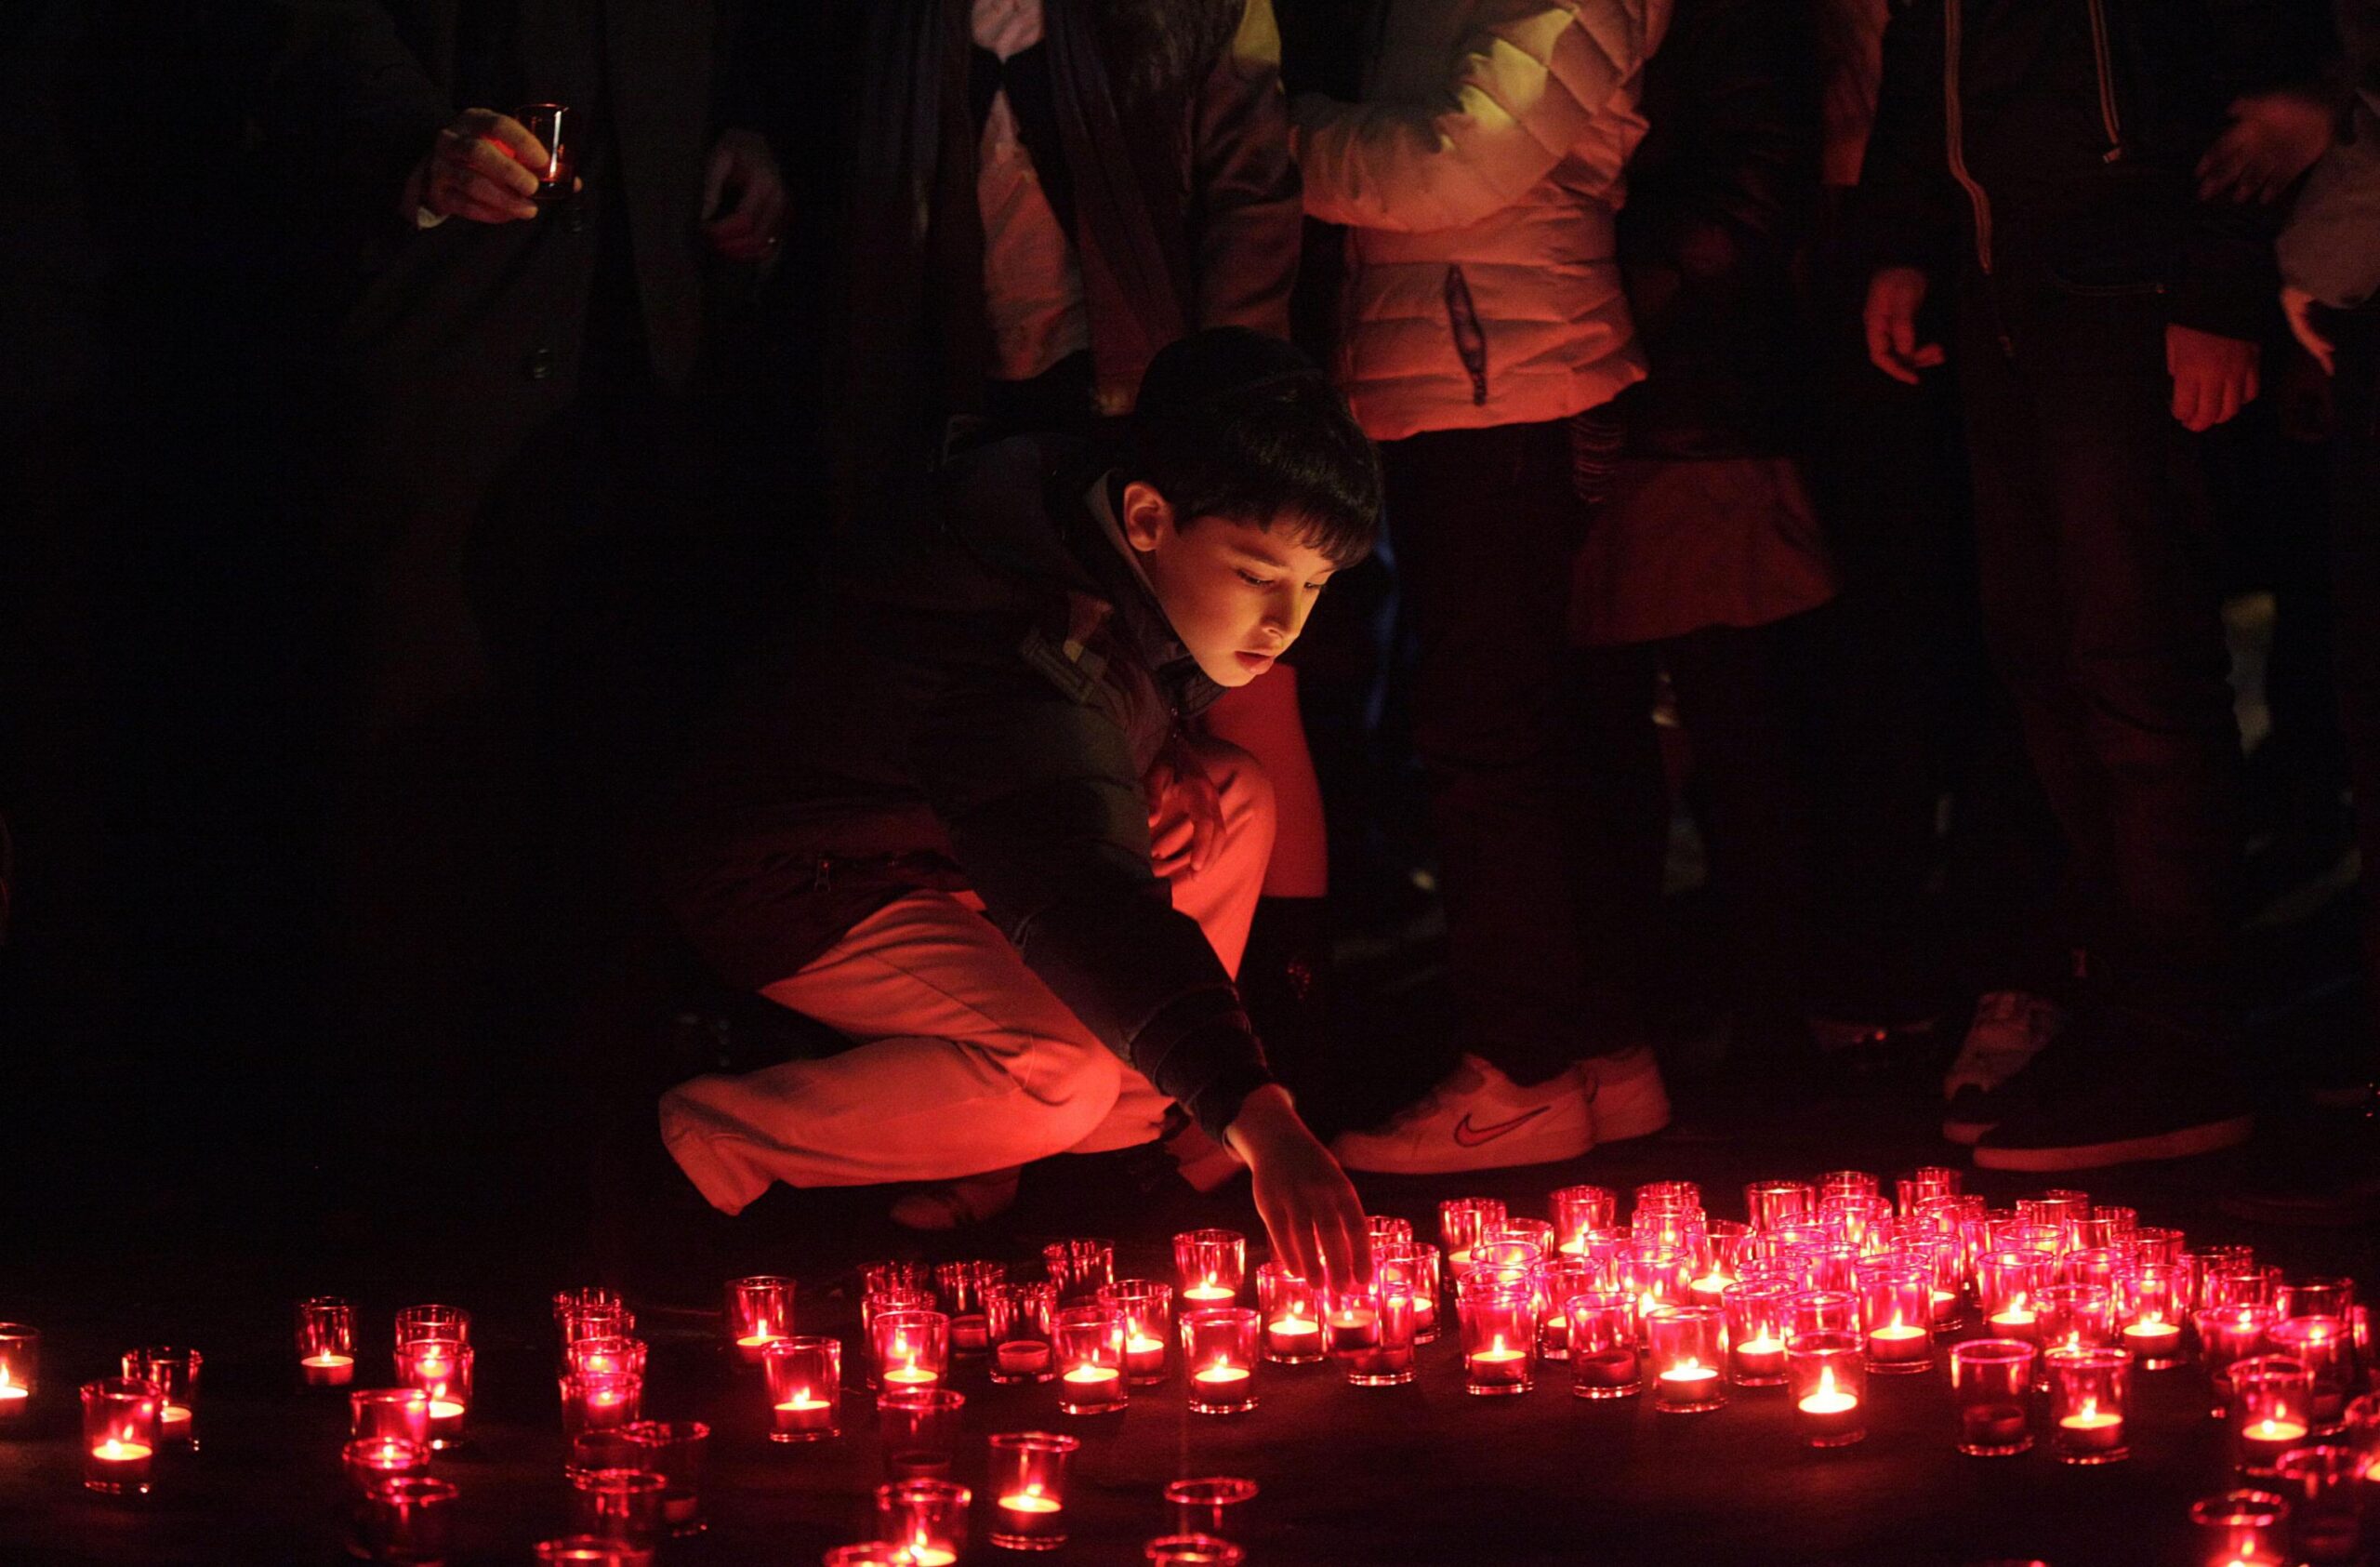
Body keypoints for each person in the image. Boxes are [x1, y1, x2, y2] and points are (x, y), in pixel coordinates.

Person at [654, 328, 1376, 1284]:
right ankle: (708, 1141)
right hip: (801, 876)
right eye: (1255, 574)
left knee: (1231, 793)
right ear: (1151, 516)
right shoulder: (1022, 645)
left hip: (949, 845)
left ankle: (1100, 1142)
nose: (1284, 622)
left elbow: (1095, 741)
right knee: (1057, 1073)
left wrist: (1156, 750)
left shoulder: (1088, 511)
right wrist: (1256, 1109)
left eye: (1313, 584)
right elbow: (1082, 891)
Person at [1858, 0, 2321, 1170]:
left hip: (2125, 285)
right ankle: (2128, 1017)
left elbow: (2249, 74)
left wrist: (2213, 288)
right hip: (2008, 284)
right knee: (2049, 662)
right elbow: (1934, 76)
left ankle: (2183, 1040)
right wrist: (1908, 239)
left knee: (2136, 667)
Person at [1289, 0, 1673, 1174]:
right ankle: (1591, 1043)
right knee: (1534, 727)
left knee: (1488, 735)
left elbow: (1456, 165)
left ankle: (1518, 1069)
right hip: (1480, 371)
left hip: (1507, 381)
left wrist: (1269, 131)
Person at [1564, 0, 1831, 1091]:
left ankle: (1764, 1019)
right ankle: (1645, 1017)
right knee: (1618, 733)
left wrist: (1614, 297)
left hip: (1691, 397)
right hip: (1633, 390)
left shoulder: (1723, 22)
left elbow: (1755, 190)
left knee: (1736, 727)